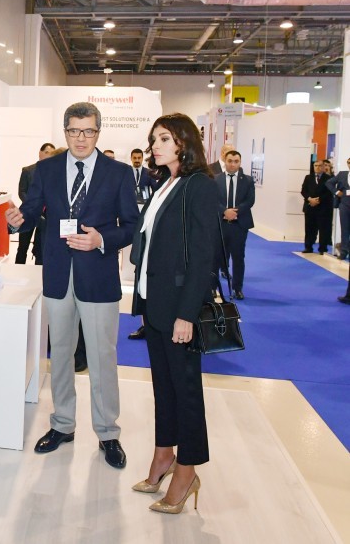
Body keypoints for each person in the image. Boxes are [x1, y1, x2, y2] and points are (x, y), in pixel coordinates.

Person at [5, 102, 138, 469]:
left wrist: (102, 239)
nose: (81, 138)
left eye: (89, 131)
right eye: (75, 131)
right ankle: (62, 424)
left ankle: (107, 432)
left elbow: (131, 225)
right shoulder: (46, 169)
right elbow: (32, 211)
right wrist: (16, 221)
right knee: (60, 354)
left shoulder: (118, 173)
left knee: (102, 357)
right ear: (65, 132)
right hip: (58, 275)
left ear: (98, 132)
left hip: (99, 278)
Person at [129, 113, 215, 515]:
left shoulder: (200, 185)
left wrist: (187, 314)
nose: (156, 145)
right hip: (155, 303)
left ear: (184, 141)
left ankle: (187, 470)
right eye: (154, 139)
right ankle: (164, 454)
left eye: (164, 138)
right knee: (163, 387)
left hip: (179, 308)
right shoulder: (165, 182)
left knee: (186, 391)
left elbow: (202, 255)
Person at [216, 149, 255, 300]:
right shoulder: (215, 179)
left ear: (240, 162)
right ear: (225, 162)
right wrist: (224, 211)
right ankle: (212, 288)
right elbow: (212, 199)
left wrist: (234, 212)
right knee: (217, 257)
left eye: (236, 161)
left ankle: (237, 288)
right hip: (220, 223)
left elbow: (250, 200)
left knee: (238, 258)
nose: (233, 164)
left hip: (239, 224)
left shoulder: (248, 180)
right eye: (230, 161)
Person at [15, 143, 55, 265]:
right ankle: (18, 269)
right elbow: (22, 192)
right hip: (28, 214)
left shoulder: (54, 172)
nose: (49, 155)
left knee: (40, 247)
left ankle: (38, 270)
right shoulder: (28, 170)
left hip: (46, 216)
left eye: (52, 153)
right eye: (47, 152)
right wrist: (33, 206)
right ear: (40, 153)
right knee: (23, 246)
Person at [301, 161, 334, 254]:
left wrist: (317, 200)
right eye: (316, 166)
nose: (317, 167)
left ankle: (322, 248)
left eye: (320, 166)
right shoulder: (308, 177)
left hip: (323, 208)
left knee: (324, 229)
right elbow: (303, 191)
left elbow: (329, 192)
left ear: (323, 167)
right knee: (309, 228)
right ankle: (308, 247)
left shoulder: (329, 178)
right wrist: (310, 199)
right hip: (310, 206)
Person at [326, 157, 350, 260]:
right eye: (348, 162)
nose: (349, 164)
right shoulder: (342, 174)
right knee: (345, 229)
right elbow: (328, 183)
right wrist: (336, 192)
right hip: (344, 205)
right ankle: (344, 252)